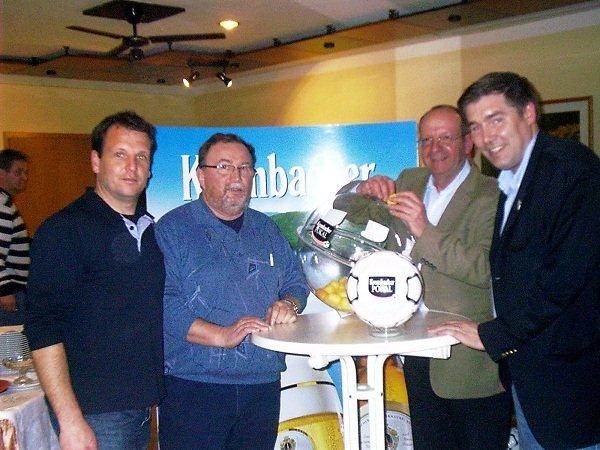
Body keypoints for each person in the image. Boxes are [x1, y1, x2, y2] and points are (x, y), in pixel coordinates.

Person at [431, 72, 600, 450]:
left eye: (495, 119)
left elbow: (565, 279)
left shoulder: (570, 170)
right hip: (532, 373)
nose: (486, 137)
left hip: (570, 381)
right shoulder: (514, 179)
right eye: (476, 126)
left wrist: (492, 334)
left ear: (528, 113)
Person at [340, 105, 511, 449]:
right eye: (426, 140)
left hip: (469, 361)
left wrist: (424, 229)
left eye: (446, 138)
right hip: (414, 350)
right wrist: (362, 188)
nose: (435, 148)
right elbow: (345, 209)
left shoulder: (494, 194)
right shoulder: (409, 181)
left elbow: (487, 269)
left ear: (468, 143)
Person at [155, 132, 309, 450]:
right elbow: (162, 302)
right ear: (201, 176)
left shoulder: (267, 229)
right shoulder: (172, 230)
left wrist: (289, 303)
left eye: (244, 168)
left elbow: (296, 281)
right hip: (194, 386)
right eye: (224, 167)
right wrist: (221, 335)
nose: (237, 177)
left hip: (262, 384)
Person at [24, 111, 165, 450]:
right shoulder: (64, 230)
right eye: (120, 154)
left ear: (150, 168)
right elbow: (42, 328)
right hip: (92, 416)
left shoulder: (150, 230)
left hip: (139, 408)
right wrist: (70, 419)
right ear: (96, 161)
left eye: (141, 157)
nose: (131, 166)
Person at [0, 149, 30, 326]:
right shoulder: (2, 206)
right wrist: (4, 290)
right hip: (8, 292)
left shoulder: (6, 204)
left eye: (25, 172)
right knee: (12, 341)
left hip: (10, 289)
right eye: (18, 172)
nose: (24, 177)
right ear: (1, 173)